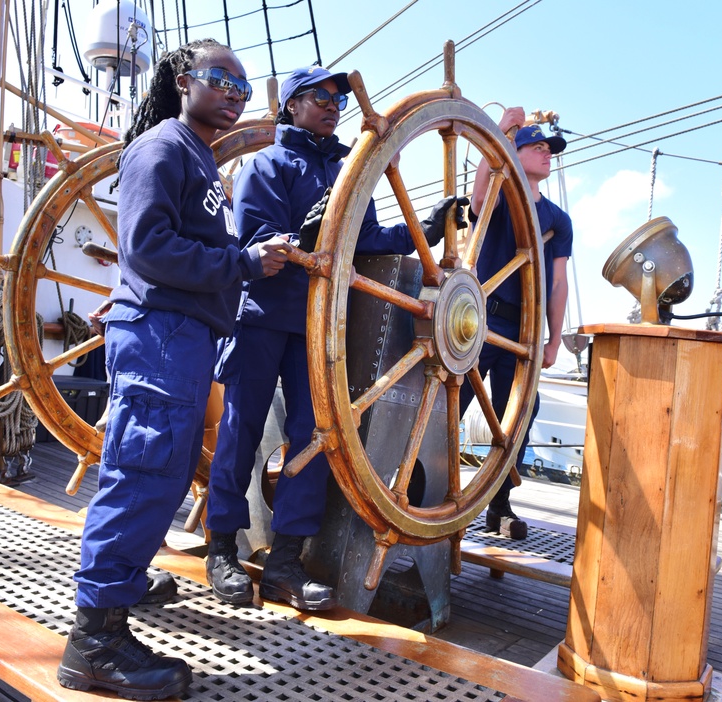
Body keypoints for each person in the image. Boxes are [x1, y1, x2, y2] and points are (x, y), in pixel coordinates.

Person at [56, 39, 289, 700]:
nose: (236, 93)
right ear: (186, 82)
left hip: (181, 337)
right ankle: (94, 642)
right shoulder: (163, 148)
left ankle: (121, 587)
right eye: (221, 79)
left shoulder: (195, 157)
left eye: (243, 85)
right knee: (143, 474)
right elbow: (149, 248)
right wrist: (246, 263)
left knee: (158, 472)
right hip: (161, 333)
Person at [205, 65, 466, 611]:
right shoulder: (265, 167)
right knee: (240, 433)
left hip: (319, 330)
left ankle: (283, 567)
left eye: (337, 99)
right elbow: (254, 246)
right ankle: (223, 551)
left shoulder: (348, 175)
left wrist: (426, 227)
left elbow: (365, 239)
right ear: (291, 107)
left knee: (315, 437)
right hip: (260, 320)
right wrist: (304, 236)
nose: (331, 105)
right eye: (318, 96)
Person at [464, 107, 572, 540]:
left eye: (551, 149)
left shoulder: (558, 221)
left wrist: (553, 340)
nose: (548, 155)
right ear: (515, 149)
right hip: (472, 320)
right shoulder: (497, 195)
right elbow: (477, 197)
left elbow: (558, 282)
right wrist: (501, 131)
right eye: (538, 147)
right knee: (445, 403)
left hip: (520, 330)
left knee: (520, 413)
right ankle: (422, 487)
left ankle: (498, 504)